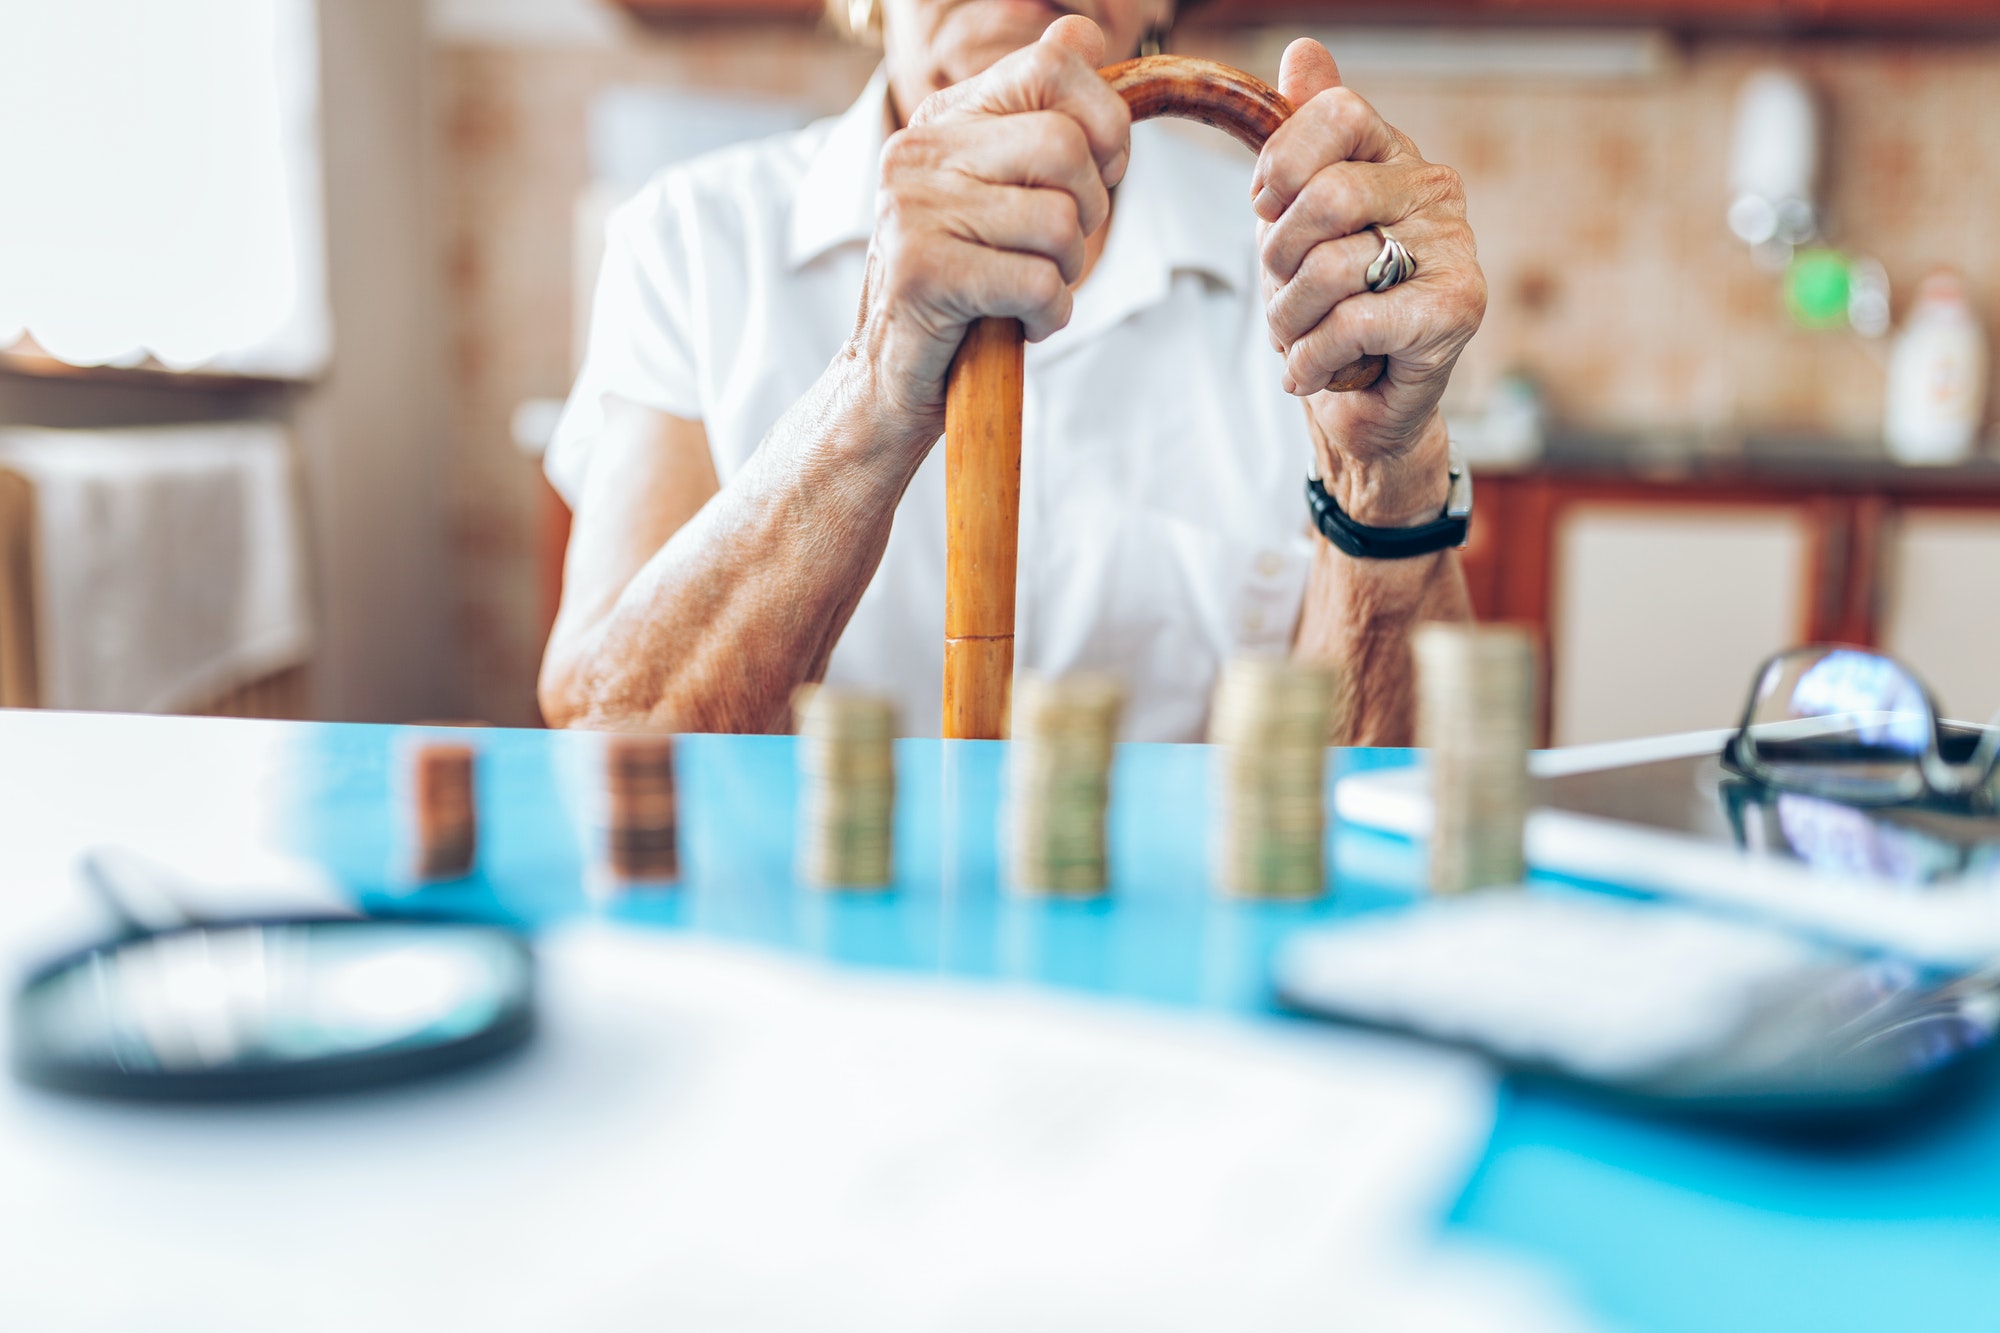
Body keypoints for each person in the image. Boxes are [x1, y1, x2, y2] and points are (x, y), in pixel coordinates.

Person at [538, 0, 1485, 743]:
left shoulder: (1319, 265)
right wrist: (876, 379)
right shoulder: (687, 241)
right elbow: (609, 736)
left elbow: (1393, 810)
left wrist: (1381, 476)